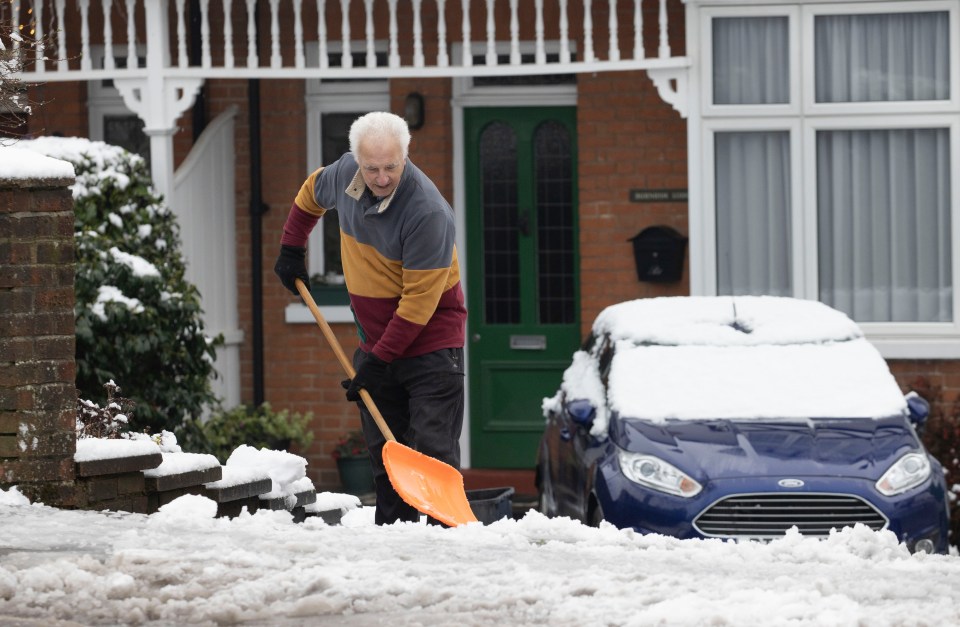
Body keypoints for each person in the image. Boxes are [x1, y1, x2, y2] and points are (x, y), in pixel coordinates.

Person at [273, 111, 467, 525]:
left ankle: (446, 548)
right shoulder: (346, 174)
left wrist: (378, 362)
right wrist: (292, 248)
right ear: (356, 160)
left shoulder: (428, 212)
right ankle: (393, 548)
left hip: (431, 346)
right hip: (377, 346)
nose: (381, 178)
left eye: (391, 167)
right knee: (385, 461)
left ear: (406, 155)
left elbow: (417, 304)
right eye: (372, 168)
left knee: (433, 455)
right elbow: (311, 194)